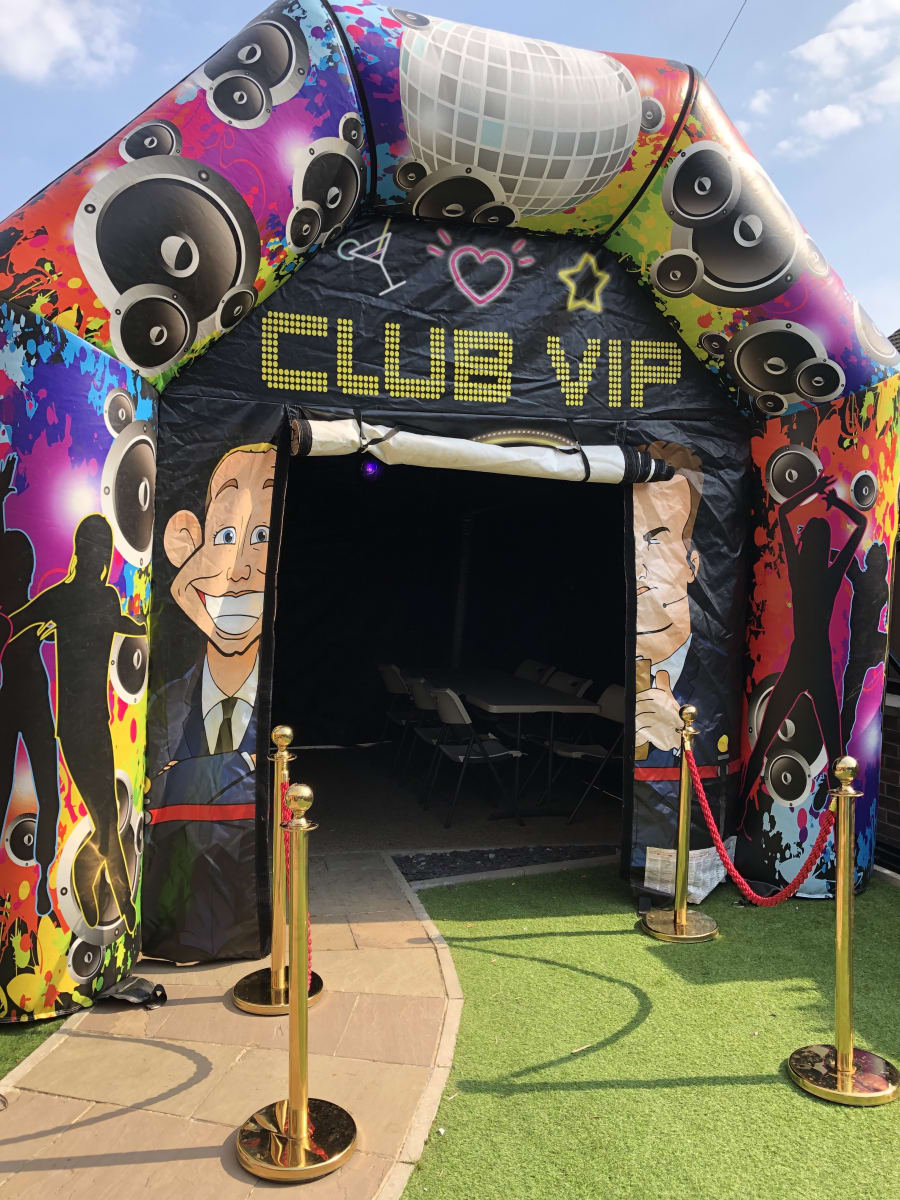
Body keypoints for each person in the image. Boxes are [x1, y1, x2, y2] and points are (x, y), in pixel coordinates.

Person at [143, 442, 276, 961]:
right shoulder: (160, 709)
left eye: (263, 538)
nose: (239, 570)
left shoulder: (280, 714)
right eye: (225, 536)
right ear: (185, 542)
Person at [10, 513, 146, 931]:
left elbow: (20, 622)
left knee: (105, 816)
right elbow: (105, 626)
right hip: (82, 727)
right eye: (95, 549)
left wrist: (45, 634)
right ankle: (121, 902)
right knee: (105, 816)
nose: (95, 557)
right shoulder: (97, 598)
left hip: (84, 726)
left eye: (96, 550)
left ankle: (99, 890)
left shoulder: (70, 599)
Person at [739, 474, 866, 821]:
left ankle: (740, 816)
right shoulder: (831, 574)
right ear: (826, 547)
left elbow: (783, 514)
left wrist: (813, 491)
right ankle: (841, 831)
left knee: (763, 744)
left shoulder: (798, 571)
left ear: (805, 541)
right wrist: (836, 503)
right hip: (819, 664)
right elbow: (860, 526)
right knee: (837, 753)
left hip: (799, 662)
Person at [0, 455, 61, 916]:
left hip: (15, 702)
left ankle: (41, 876)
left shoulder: (14, 613)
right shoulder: (31, 611)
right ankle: (43, 873)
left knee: (20, 788)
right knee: (47, 791)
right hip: (33, 700)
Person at [633, 440, 704, 754]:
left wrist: (679, 743)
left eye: (656, 542)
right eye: (630, 544)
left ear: (692, 564)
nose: (639, 572)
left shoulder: (716, 665)